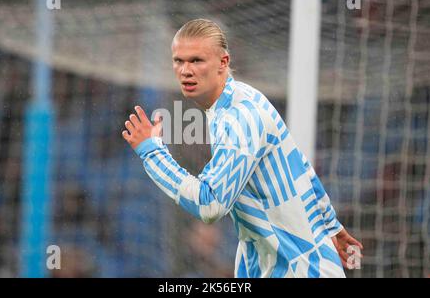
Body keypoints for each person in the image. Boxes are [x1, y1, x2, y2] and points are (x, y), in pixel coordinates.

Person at [122, 19, 363, 278]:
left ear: (223, 62)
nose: (185, 71)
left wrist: (151, 152)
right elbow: (302, 168)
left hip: (300, 270)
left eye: (197, 61)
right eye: (179, 61)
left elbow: (210, 205)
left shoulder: (241, 119)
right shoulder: (241, 99)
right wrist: (330, 225)